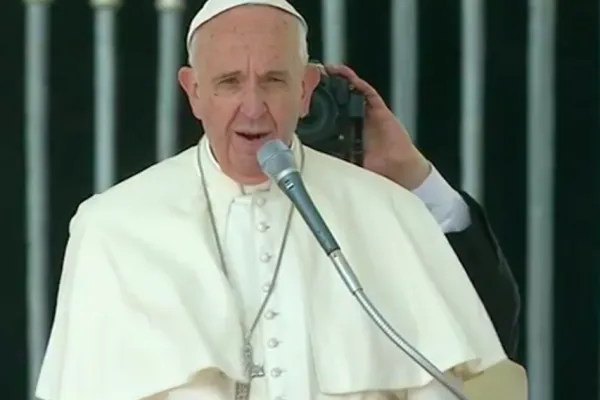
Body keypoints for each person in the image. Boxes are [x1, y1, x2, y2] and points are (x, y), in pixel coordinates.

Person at [35, 0, 522, 399]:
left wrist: (410, 176)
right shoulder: (113, 226)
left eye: (274, 80)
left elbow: (473, 373)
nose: (253, 107)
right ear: (193, 91)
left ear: (307, 90)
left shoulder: (387, 210)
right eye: (229, 82)